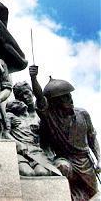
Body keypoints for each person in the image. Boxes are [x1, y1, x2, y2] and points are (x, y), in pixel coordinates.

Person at [29, 65, 101, 201]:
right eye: (65, 97)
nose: (70, 99)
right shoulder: (50, 116)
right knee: (61, 167)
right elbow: (39, 98)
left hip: (84, 161)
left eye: (69, 95)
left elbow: (92, 138)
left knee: (93, 195)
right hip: (65, 159)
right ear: (55, 102)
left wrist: (99, 159)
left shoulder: (83, 114)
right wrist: (33, 78)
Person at [6, 100, 61, 177]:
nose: (20, 103)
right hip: (21, 152)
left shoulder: (34, 119)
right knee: (28, 173)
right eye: (15, 103)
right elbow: (5, 133)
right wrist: (17, 143)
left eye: (20, 102)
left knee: (43, 173)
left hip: (35, 151)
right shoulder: (10, 116)